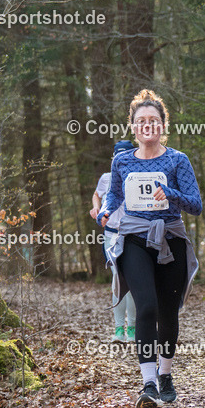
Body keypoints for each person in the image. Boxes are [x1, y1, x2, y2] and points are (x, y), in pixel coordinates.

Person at [98, 90, 202, 408]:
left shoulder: (177, 160)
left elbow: (195, 205)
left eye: (153, 120)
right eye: (141, 120)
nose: (147, 125)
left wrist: (169, 194)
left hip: (169, 239)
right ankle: (149, 383)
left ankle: (166, 373)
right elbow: (115, 196)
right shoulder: (122, 161)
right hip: (133, 239)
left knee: (167, 313)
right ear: (133, 127)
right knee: (145, 307)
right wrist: (105, 209)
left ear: (162, 125)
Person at [91, 140, 137, 342]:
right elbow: (96, 195)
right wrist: (97, 208)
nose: (122, 161)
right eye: (118, 157)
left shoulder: (138, 177)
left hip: (134, 233)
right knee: (118, 280)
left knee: (134, 281)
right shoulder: (106, 178)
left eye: (126, 156)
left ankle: (133, 329)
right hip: (111, 234)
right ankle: (119, 330)